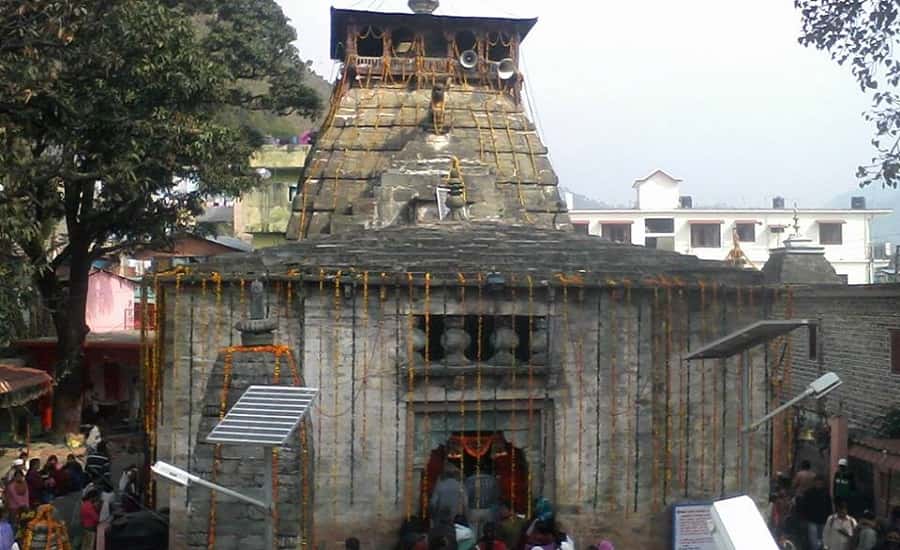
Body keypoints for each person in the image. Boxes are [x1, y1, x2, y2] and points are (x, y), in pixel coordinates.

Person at [797, 474, 832, 550]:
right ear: (814, 482)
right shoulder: (809, 493)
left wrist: (830, 519)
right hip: (812, 520)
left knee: (823, 540)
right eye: (817, 482)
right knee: (813, 542)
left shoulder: (825, 493)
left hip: (823, 520)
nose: (818, 484)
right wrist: (805, 517)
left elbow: (829, 507)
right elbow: (805, 506)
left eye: (820, 483)